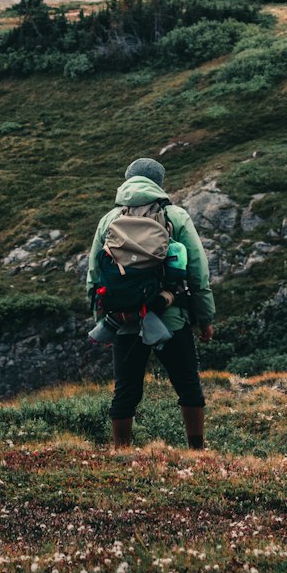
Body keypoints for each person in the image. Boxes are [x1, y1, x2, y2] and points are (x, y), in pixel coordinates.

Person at [86, 157, 215, 449]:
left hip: (123, 320)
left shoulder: (109, 219)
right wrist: (205, 319)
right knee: (187, 384)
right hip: (170, 316)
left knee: (126, 390)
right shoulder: (175, 216)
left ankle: (121, 450)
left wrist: (105, 320)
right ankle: (196, 450)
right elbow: (198, 272)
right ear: (159, 183)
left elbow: (93, 276)